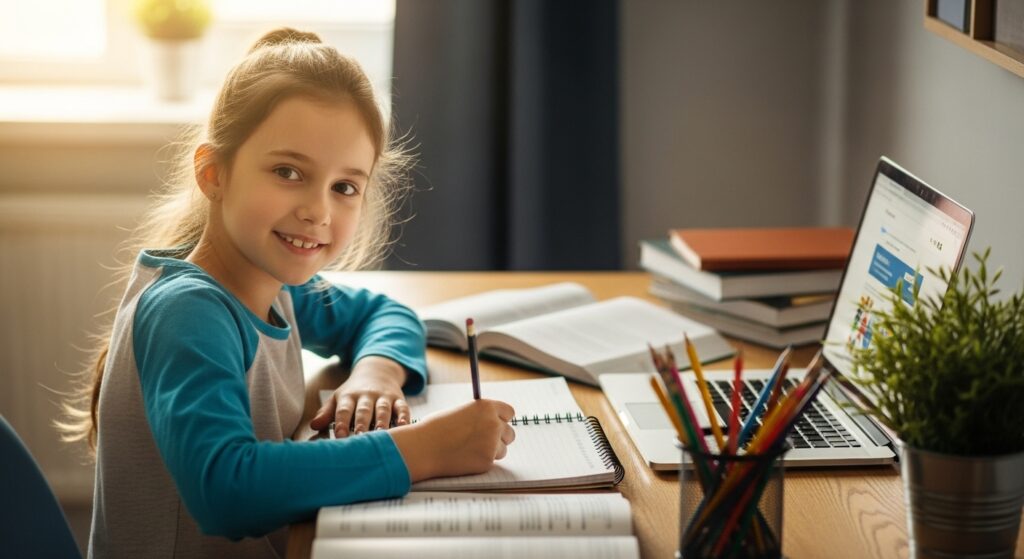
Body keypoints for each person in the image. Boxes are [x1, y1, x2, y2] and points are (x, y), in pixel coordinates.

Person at [58, 28, 516, 558]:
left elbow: (384, 312)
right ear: (214, 173)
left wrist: (376, 373)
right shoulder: (188, 311)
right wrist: (422, 450)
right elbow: (226, 489)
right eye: (288, 172)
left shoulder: (271, 285)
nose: (318, 211)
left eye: (344, 187)